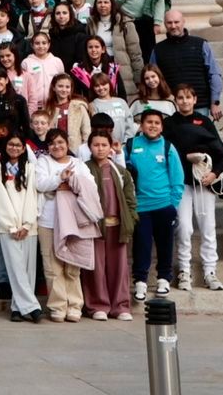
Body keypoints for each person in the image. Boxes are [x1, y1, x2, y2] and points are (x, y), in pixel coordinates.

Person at [166, 84, 223, 291]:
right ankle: (184, 270)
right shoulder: (170, 123)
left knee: (208, 227)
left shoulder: (205, 122)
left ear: (194, 99)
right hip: (180, 183)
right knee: (183, 227)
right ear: (175, 100)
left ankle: (210, 271)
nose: (184, 101)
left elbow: (220, 152)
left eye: (188, 97)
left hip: (204, 184)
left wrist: (214, 174)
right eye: (180, 97)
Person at [35, 128, 97, 321]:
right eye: (52, 143)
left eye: (60, 142)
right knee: (52, 267)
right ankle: (58, 306)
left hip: (74, 222)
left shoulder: (78, 163)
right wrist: (60, 179)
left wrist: (69, 183)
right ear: (48, 147)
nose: (57, 146)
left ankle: (75, 305)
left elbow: (91, 186)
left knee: (72, 265)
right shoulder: (43, 162)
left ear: (67, 144)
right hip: (48, 221)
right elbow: (40, 184)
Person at [125, 107, 184, 300]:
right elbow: (124, 172)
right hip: (141, 207)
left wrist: (172, 204)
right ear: (141, 125)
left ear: (161, 127)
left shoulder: (167, 147)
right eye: (149, 122)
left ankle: (164, 279)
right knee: (141, 244)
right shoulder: (131, 145)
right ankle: (140, 282)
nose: (153, 126)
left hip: (164, 205)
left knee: (165, 243)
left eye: (157, 123)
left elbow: (177, 177)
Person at [0, 132, 43, 322]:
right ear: (5, 146)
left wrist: (27, 223)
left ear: (23, 148)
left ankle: (17, 309)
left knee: (28, 270)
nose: (14, 148)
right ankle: (33, 306)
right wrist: (11, 225)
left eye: (18, 145)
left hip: (29, 226)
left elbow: (33, 197)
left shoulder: (30, 167)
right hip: (6, 227)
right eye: (11, 144)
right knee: (15, 267)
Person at [82, 130, 135, 320]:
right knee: (95, 268)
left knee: (119, 268)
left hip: (117, 225)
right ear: (89, 147)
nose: (100, 149)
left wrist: (131, 219)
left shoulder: (120, 171)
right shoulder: (83, 169)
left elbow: (130, 200)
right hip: (94, 226)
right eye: (96, 145)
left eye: (104, 145)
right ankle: (98, 305)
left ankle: (120, 306)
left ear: (111, 146)